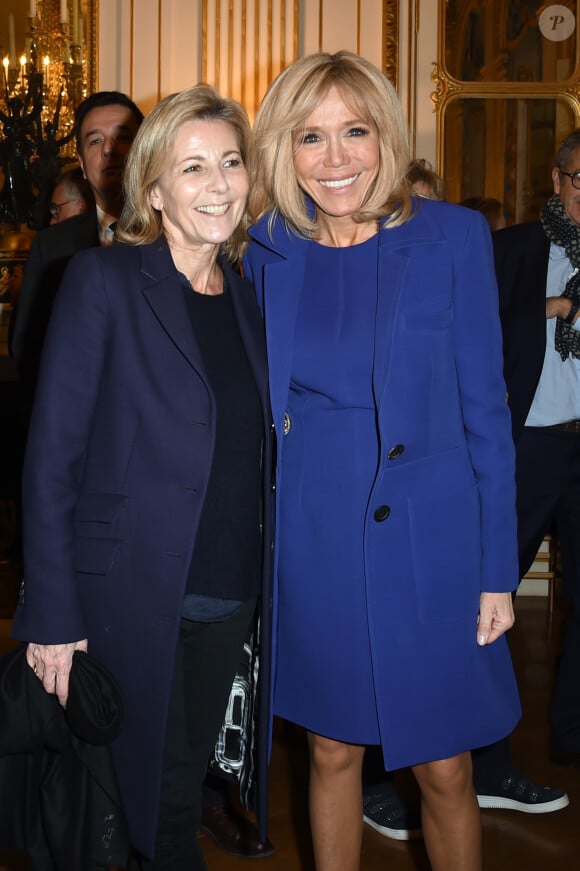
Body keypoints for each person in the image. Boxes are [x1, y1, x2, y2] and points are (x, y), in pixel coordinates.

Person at [244, 50, 521, 871]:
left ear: (386, 137)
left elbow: (487, 414)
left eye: (354, 132)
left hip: (433, 545)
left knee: (444, 763)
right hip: (313, 539)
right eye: (311, 137)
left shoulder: (453, 238)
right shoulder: (265, 247)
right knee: (329, 750)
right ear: (283, 151)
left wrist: (496, 569)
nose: (336, 160)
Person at [10, 83, 273, 870]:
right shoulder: (104, 283)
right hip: (131, 592)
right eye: (193, 168)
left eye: (230, 162)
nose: (219, 184)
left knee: (181, 789)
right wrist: (52, 610)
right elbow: (51, 457)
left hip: (229, 592)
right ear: (152, 187)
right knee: (138, 805)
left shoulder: (250, 301)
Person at [493, 127, 580, 769]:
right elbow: (470, 328)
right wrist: (553, 307)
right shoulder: (511, 249)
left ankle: (573, 736)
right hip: (525, 449)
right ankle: (482, 743)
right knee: (490, 593)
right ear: (557, 181)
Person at [9, 90, 144, 395]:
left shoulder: (180, 235)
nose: (109, 150)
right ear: (82, 163)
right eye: (95, 141)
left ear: (145, 149)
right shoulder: (52, 247)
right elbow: (27, 349)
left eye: (122, 137)